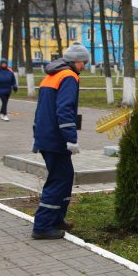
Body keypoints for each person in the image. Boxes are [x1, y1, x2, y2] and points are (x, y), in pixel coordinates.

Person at [31, 43, 89, 240]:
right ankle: (42, 226)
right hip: (56, 139)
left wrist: (36, 135)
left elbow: (41, 109)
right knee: (58, 179)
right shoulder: (69, 77)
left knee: (65, 176)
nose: (84, 67)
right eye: (84, 63)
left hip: (45, 135)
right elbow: (65, 109)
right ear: (76, 61)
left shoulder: (51, 76)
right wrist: (71, 138)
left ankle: (56, 218)